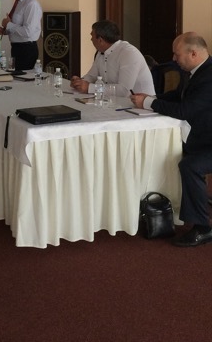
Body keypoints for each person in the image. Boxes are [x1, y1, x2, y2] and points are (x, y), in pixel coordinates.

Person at [130, 32, 212, 247]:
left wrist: (148, 104)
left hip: (207, 141)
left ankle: (203, 228)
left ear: (193, 53)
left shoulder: (209, 77)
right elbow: (178, 96)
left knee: (190, 166)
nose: (174, 59)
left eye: (177, 54)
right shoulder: (194, 71)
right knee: (164, 152)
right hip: (202, 136)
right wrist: (151, 99)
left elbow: (185, 110)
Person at [70, 20, 155, 95]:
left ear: (100, 40)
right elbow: (92, 76)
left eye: (92, 36)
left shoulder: (128, 53)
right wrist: (80, 82)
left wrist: (90, 88)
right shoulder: (101, 52)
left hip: (140, 104)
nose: (91, 39)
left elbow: (124, 90)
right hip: (115, 101)